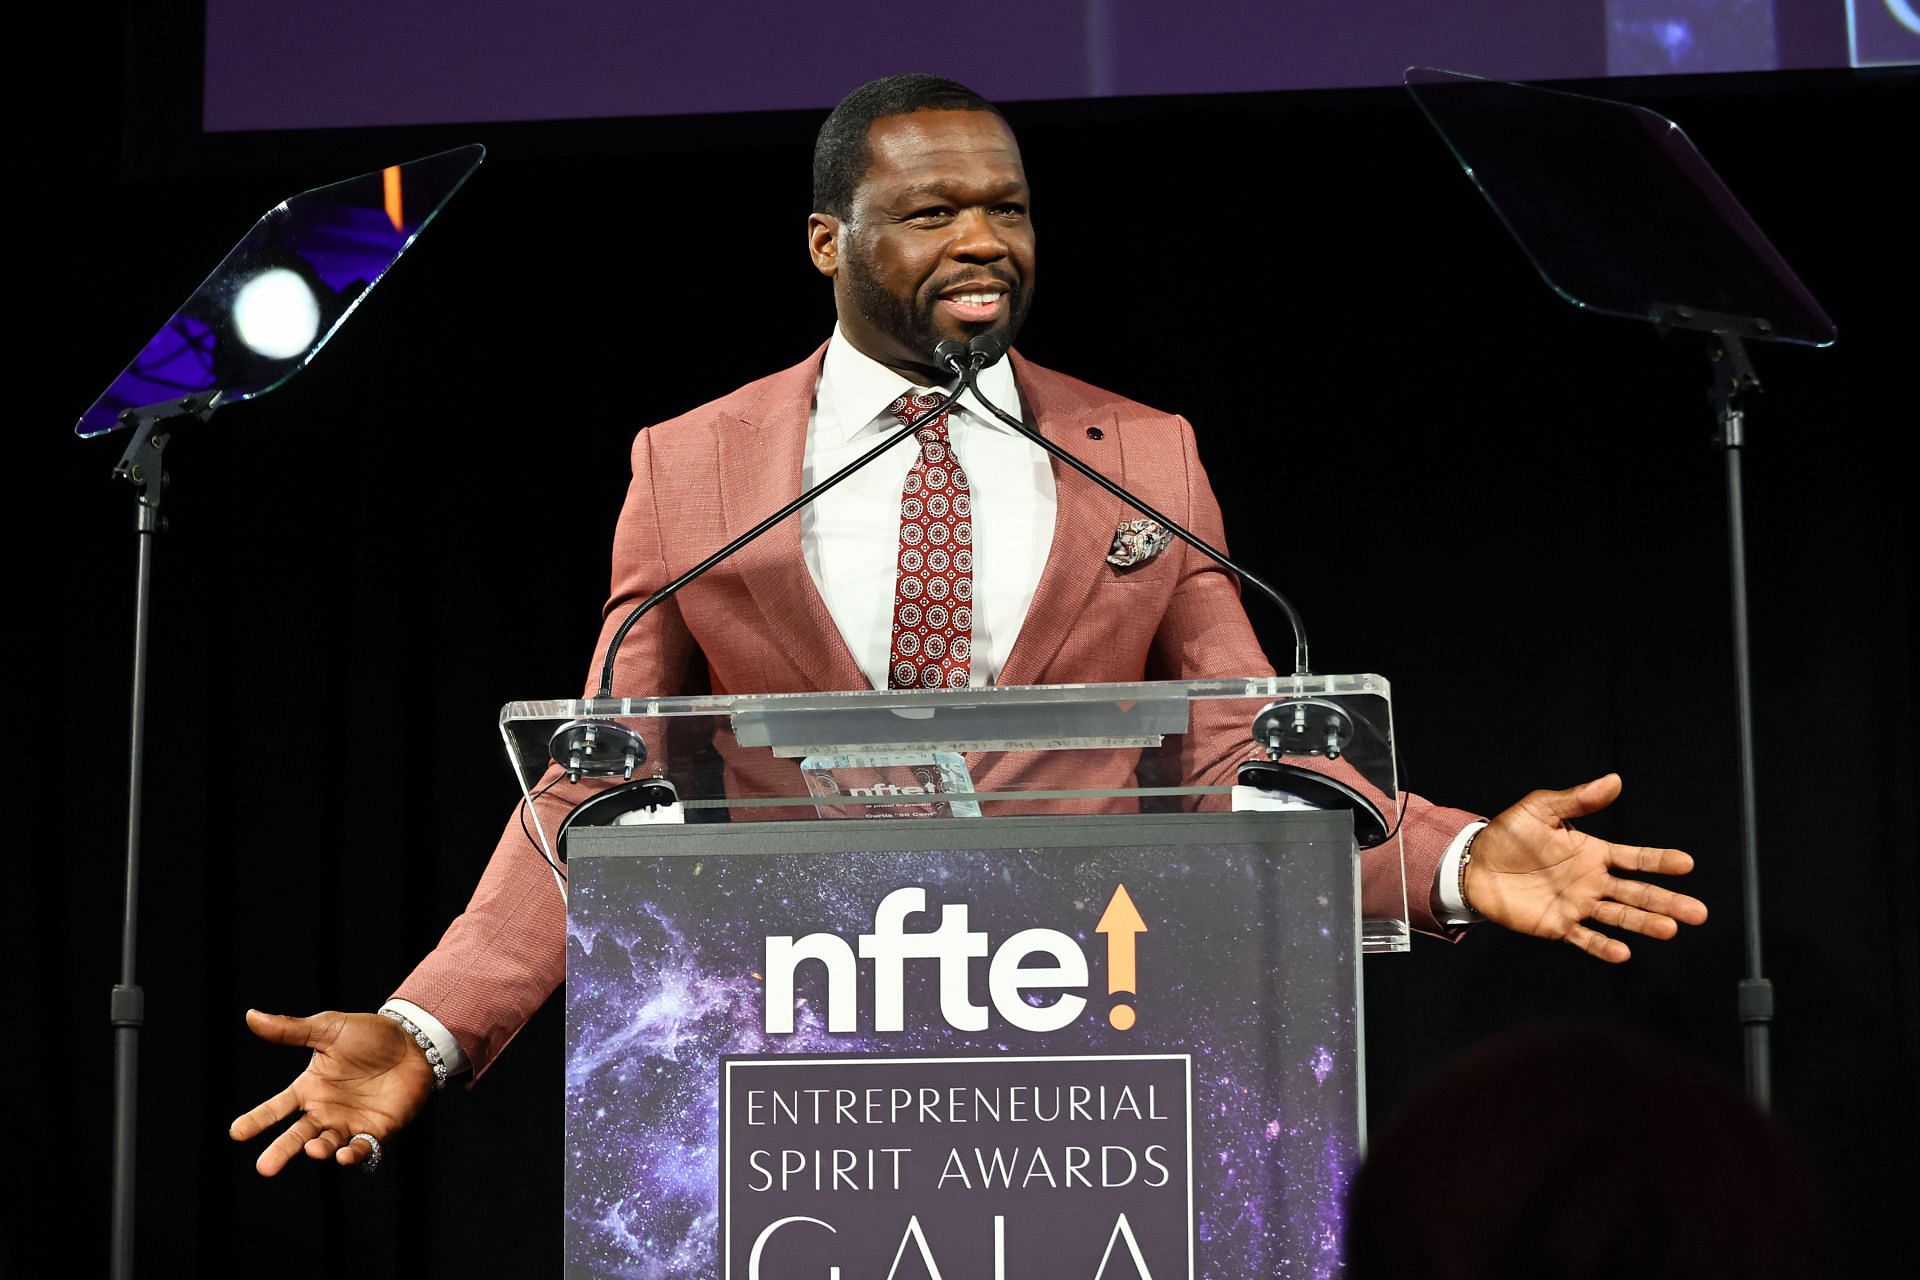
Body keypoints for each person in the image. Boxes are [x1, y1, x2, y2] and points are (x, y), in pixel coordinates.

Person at [229, 74, 1707, 1177]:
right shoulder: (695, 468)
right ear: (828, 240)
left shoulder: (1143, 453)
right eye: (932, 210)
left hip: (1093, 1068)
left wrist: (1449, 855)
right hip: (802, 1076)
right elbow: (598, 779)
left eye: (1005, 205)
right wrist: (431, 1024)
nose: (982, 236)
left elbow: (1244, 762)